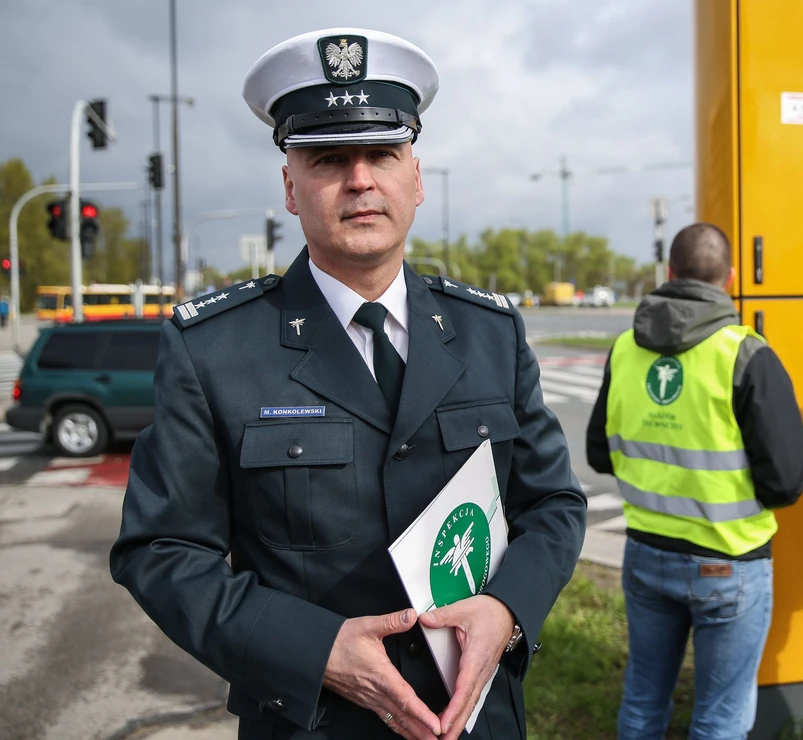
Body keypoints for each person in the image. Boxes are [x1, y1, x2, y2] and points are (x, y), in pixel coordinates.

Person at [110, 28, 587, 740]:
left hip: (477, 717)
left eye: (383, 154)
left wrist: (509, 611)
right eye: (330, 158)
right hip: (313, 721)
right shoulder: (214, 348)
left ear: (415, 180)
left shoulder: (490, 331)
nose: (360, 179)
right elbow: (160, 551)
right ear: (290, 188)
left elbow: (552, 503)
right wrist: (311, 650)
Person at [585, 223, 803, 739]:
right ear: (730, 278)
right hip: (728, 563)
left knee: (643, 700)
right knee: (720, 717)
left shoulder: (626, 349)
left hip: (645, 553)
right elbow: (786, 481)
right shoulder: (747, 354)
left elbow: (599, 453)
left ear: (670, 274)